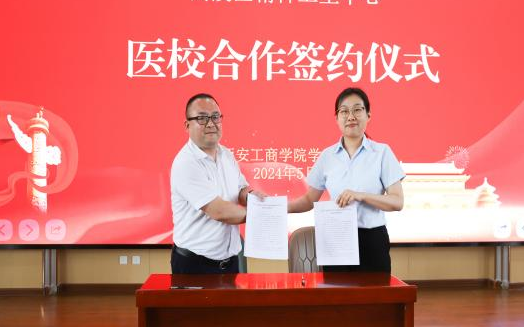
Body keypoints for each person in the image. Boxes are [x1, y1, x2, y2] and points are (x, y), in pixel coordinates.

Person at [288, 87, 405, 273]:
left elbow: (397, 201)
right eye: (344, 111)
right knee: (337, 290)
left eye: (357, 109)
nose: (351, 116)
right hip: (336, 240)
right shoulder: (327, 156)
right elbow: (309, 200)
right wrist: (277, 208)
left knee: (376, 292)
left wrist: (360, 195)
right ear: (336, 118)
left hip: (372, 241)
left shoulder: (382, 152)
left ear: (368, 115)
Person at [171, 93, 265, 274]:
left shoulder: (226, 155)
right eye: (202, 118)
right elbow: (219, 211)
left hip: (230, 261)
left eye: (215, 117)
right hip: (195, 265)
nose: (210, 124)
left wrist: (252, 196)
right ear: (187, 125)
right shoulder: (186, 162)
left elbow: (240, 190)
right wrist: (262, 213)